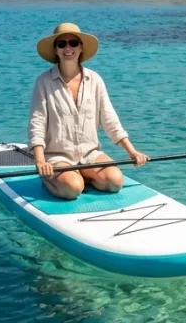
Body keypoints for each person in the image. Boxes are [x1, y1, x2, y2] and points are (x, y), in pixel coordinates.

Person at [28, 22, 149, 200]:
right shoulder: (43, 82)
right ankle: (50, 179)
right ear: (55, 50)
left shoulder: (95, 80)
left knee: (114, 182)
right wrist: (40, 161)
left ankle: (82, 175)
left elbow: (110, 119)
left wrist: (132, 152)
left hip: (89, 154)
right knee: (72, 189)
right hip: (58, 155)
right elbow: (37, 123)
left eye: (73, 43)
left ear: (81, 47)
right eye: (61, 44)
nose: (68, 48)